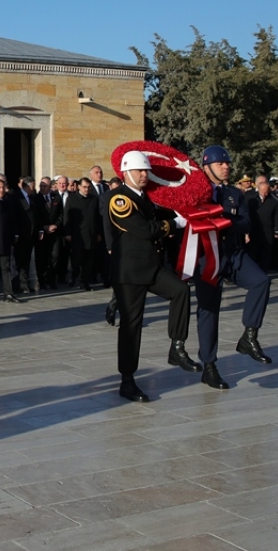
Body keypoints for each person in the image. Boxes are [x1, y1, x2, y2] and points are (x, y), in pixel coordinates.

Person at [188, 146, 275, 392]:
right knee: (209, 310)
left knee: (261, 281)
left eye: (227, 163)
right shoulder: (196, 192)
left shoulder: (234, 194)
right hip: (207, 256)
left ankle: (249, 334)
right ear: (206, 167)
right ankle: (209, 365)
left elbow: (247, 223)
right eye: (219, 164)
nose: (226, 166)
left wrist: (222, 219)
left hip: (232, 253)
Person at [107, 150, 190, 402]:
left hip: (151, 266)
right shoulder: (118, 198)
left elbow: (156, 213)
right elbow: (143, 229)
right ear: (126, 173)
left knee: (181, 290)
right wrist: (174, 224)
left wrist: (183, 211)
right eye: (139, 171)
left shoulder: (144, 197)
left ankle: (177, 345)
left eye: (146, 171)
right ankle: (127, 379)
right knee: (131, 326)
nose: (145, 175)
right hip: (129, 272)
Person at [64, 176, 100, 291]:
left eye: (88, 187)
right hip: (77, 235)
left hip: (91, 235)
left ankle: (84, 282)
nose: (86, 189)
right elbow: (67, 216)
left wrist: (99, 233)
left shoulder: (94, 199)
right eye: (84, 187)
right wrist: (67, 233)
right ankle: (74, 277)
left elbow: (98, 218)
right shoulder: (72, 199)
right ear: (79, 186)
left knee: (89, 261)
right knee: (77, 260)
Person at [246, 175, 278, 271]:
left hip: (268, 231)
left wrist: (277, 231)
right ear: (258, 189)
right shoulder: (251, 200)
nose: (264, 194)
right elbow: (246, 214)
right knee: (253, 252)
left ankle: (264, 271)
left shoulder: (274, 200)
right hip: (254, 230)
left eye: (266, 192)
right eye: (262, 192)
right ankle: (253, 272)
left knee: (266, 253)